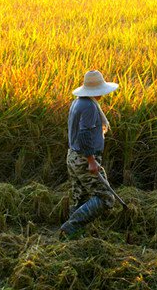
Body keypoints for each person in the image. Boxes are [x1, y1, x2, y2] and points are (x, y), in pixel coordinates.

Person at [59, 70, 119, 240]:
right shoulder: (89, 107)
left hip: (73, 156)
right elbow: (85, 134)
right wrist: (91, 161)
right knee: (106, 197)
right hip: (84, 159)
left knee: (80, 196)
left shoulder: (78, 102)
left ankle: (74, 236)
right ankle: (71, 228)